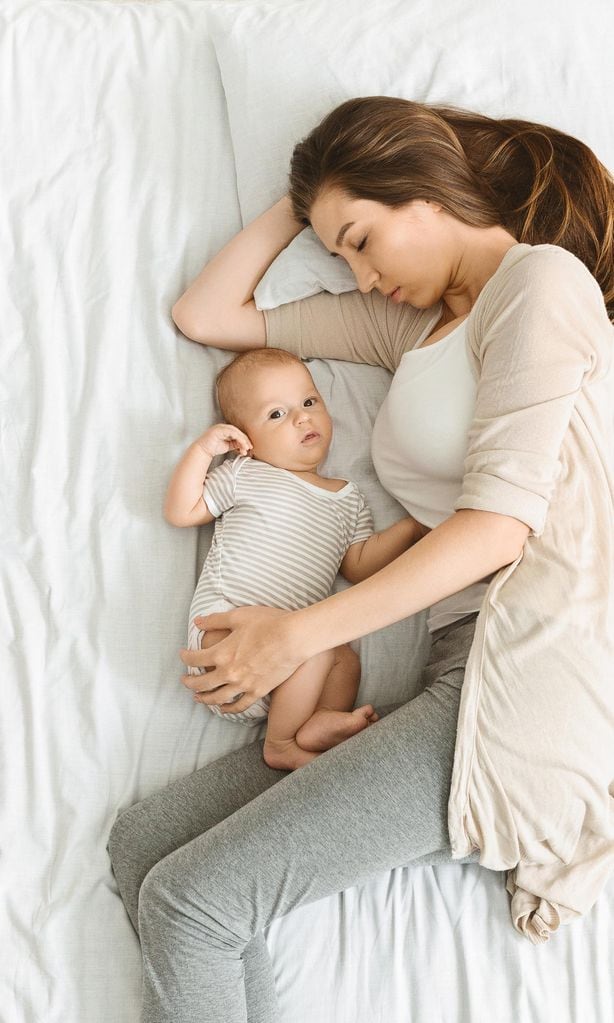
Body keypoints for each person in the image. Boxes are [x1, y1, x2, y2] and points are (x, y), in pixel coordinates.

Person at [108, 97, 614, 1021]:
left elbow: (498, 528)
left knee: (196, 904)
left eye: (363, 239)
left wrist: (290, 639)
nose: (359, 271)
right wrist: (304, 201)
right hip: (456, 671)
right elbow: (208, 313)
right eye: (339, 251)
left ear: (425, 194)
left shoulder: (542, 283)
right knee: (147, 847)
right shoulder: (409, 333)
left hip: (517, 687)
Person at [163, 346, 427, 770]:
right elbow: (182, 511)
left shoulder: (347, 498)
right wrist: (202, 452)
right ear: (243, 439)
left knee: (342, 658)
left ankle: (313, 720)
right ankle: (281, 745)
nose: (302, 418)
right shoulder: (245, 473)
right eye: (277, 414)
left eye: (309, 402)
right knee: (317, 648)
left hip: (288, 665)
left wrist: (412, 528)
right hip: (224, 632)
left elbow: (358, 563)